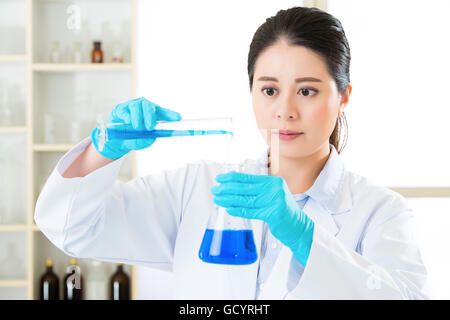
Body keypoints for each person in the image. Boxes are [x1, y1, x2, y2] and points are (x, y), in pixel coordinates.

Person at [34, 6, 428, 299]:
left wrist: (303, 234)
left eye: (307, 90)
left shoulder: (381, 213)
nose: (284, 110)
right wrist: (104, 152)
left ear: (343, 97)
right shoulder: (200, 187)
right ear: (253, 92)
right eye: (269, 90)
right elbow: (72, 229)